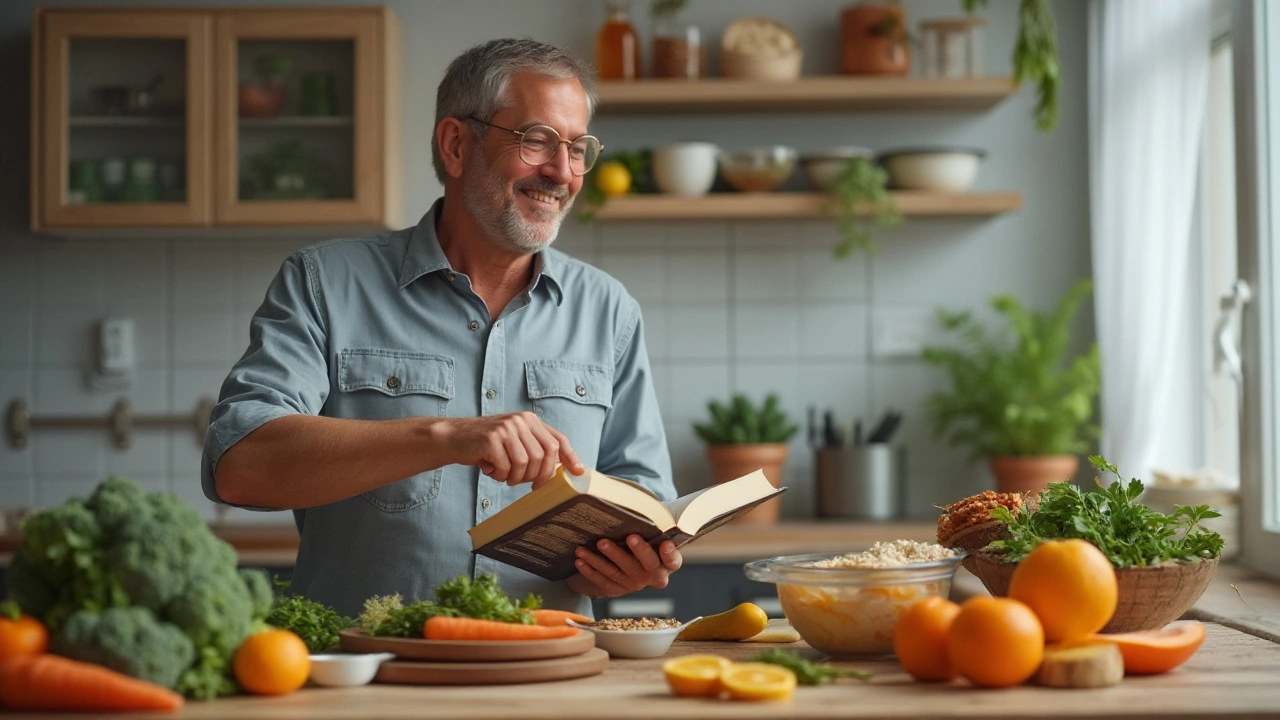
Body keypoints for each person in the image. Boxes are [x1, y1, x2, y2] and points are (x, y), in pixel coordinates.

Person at [201, 38, 680, 618]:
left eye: (578, 148)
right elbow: (240, 465)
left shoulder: (609, 309)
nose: (562, 173)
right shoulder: (324, 282)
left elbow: (645, 498)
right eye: (537, 141)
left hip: (546, 677)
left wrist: (627, 560)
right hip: (369, 681)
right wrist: (446, 437)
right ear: (456, 145)